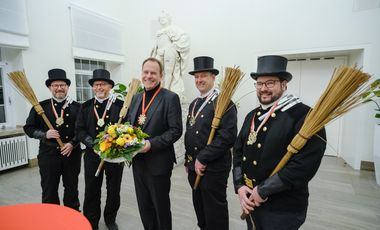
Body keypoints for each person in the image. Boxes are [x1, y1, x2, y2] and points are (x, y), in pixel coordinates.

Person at [232, 55, 327, 230]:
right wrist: (239, 186)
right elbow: (238, 152)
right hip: (251, 201)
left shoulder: (304, 116)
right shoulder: (251, 115)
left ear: (284, 84)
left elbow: (304, 166)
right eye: (259, 84)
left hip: (283, 209)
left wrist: (264, 190)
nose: (263, 89)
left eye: (270, 83)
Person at [127, 57, 182, 230]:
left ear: (161, 76)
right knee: (144, 207)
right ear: (141, 73)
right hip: (138, 163)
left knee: (161, 209)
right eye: (146, 72)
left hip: (158, 163)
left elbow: (175, 130)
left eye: (153, 73)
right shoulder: (136, 98)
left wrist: (151, 144)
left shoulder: (170, 98)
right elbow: (131, 125)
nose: (149, 76)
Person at [185, 56, 237, 230]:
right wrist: (188, 160)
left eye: (203, 76)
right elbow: (190, 133)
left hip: (213, 168)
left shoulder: (224, 103)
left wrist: (203, 158)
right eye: (196, 77)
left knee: (214, 210)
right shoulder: (194, 103)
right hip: (194, 166)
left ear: (213, 77)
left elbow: (227, 137)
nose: (199, 80)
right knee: (199, 207)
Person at [24, 68, 81, 211]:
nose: (59, 88)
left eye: (62, 85)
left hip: (71, 155)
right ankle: (51, 220)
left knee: (72, 190)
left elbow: (82, 130)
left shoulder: (78, 107)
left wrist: (72, 143)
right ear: (50, 87)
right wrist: (44, 134)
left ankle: (72, 219)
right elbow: (28, 128)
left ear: (67, 87)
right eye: (55, 85)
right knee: (49, 191)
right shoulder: (39, 107)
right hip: (48, 155)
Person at [76, 69, 124, 230]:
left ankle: (110, 219)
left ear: (110, 86)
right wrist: (93, 144)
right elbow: (80, 130)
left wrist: (116, 143)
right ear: (93, 87)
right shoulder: (85, 107)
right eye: (96, 85)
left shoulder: (120, 106)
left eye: (103, 84)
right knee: (91, 189)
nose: (99, 88)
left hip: (115, 156)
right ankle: (91, 221)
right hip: (92, 155)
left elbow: (127, 128)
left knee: (113, 189)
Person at [151, 11, 190, 101]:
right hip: (160, 52)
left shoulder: (173, 29)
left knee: (168, 71)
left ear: (168, 19)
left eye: (163, 18)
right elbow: (158, 43)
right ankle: (158, 88)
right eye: (160, 19)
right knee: (156, 70)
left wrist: (174, 46)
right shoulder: (159, 32)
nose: (162, 20)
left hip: (169, 52)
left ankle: (166, 89)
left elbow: (185, 37)